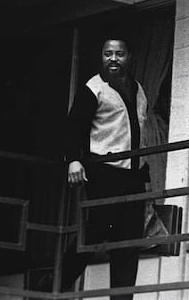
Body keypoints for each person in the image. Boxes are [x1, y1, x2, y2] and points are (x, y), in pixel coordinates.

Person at [61, 38, 148, 300]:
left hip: (133, 174)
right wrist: (73, 159)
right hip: (105, 172)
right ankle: (55, 285)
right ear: (101, 56)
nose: (113, 59)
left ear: (128, 56)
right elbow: (75, 126)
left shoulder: (137, 87)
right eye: (108, 54)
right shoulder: (93, 87)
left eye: (119, 54)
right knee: (96, 231)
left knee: (129, 242)